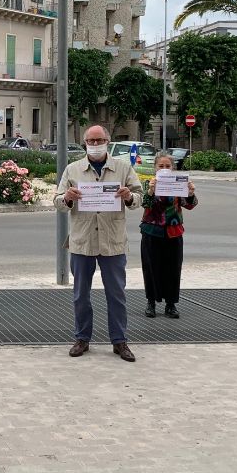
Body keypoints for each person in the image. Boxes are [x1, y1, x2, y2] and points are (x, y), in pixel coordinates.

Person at [54, 124, 141, 362]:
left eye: (99, 140)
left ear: (107, 141)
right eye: (90, 141)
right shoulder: (73, 169)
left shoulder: (123, 168)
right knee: (81, 294)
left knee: (116, 294)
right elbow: (58, 201)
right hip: (82, 240)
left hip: (113, 241)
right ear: (84, 144)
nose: (95, 145)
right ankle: (82, 338)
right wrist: (67, 198)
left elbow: (138, 197)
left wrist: (129, 197)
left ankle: (119, 340)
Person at [140, 151, 198, 320]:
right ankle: (151, 302)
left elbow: (190, 205)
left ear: (172, 168)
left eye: (167, 166)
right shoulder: (148, 183)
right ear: (155, 167)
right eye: (161, 166)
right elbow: (144, 204)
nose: (164, 168)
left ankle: (171, 304)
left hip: (173, 231)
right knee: (151, 268)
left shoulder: (179, 182)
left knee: (173, 268)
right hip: (152, 230)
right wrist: (151, 191)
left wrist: (190, 193)